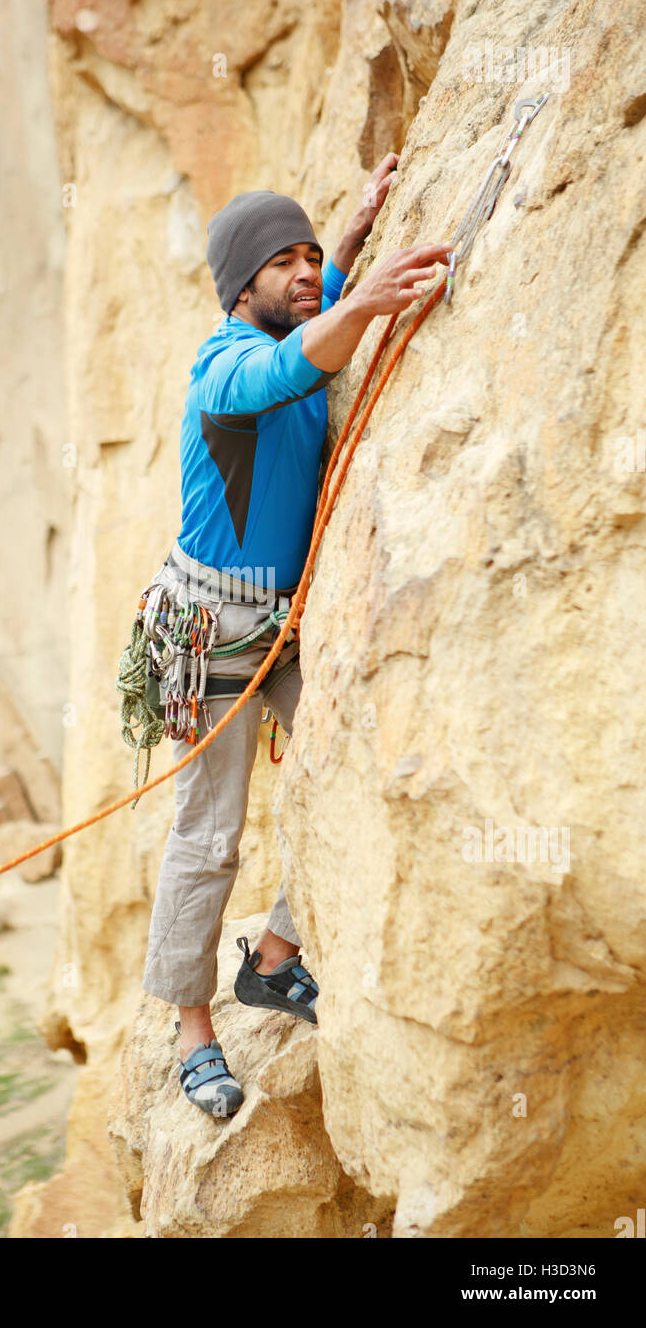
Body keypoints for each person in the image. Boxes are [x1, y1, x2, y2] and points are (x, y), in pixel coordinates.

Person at [140, 155, 452, 1115]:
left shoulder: (300, 325)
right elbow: (284, 364)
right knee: (208, 836)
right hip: (212, 634)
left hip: (282, 625)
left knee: (349, 771)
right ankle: (192, 1030)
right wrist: (354, 303)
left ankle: (274, 960)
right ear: (242, 286)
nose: (308, 272)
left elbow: (313, 325)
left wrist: (348, 239)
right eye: (285, 260)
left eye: (313, 257)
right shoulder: (224, 365)